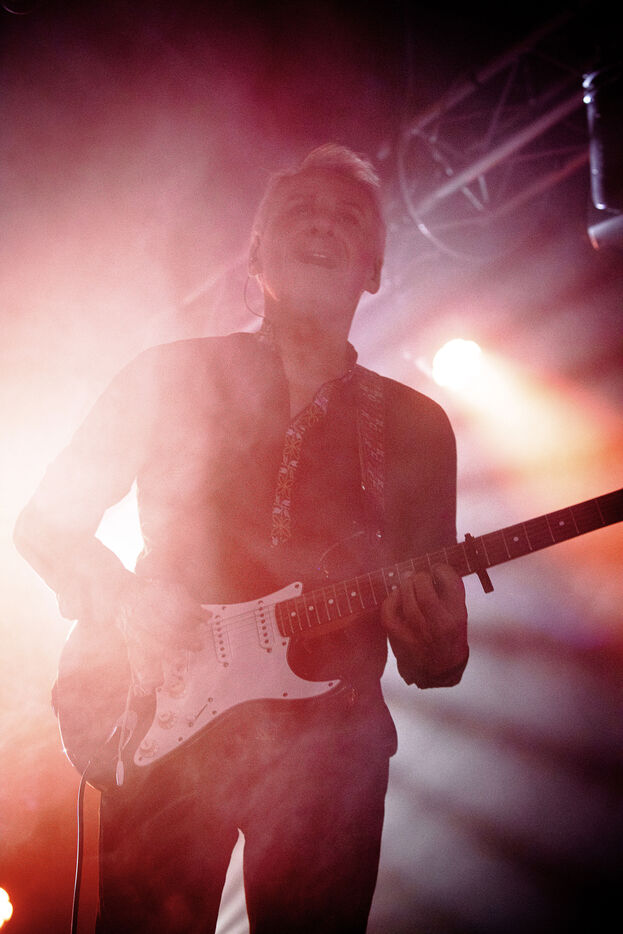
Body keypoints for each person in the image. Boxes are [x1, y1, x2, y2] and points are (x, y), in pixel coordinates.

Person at [14, 143, 469, 934]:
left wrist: (439, 643)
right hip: (163, 709)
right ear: (254, 253)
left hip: (332, 747)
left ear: (373, 268)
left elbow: (431, 654)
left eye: (348, 218)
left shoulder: (417, 427)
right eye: (300, 212)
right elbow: (45, 523)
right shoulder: (168, 374)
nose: (323, 227)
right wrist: (125, 598)